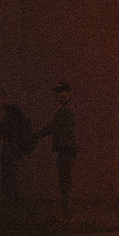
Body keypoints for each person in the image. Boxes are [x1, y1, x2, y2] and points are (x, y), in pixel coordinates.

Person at [46, 84, 78, 228]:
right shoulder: (65, 108)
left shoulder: (66, 109)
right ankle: (67, 214)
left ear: (67, 92)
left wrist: (36, 136)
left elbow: (54, 126)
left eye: (60, 92)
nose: (57, 95)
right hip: (65, 148)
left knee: (65, 182)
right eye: (56, 92)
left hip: (66, 148)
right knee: (65, 181)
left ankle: (67, 215)